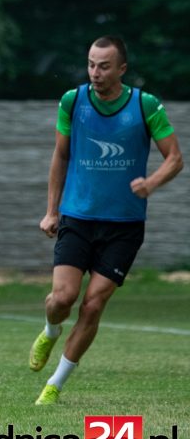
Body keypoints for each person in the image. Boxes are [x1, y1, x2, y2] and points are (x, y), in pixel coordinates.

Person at [30, 36, 183, 405]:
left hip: (124, 225)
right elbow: (60, 156)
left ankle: (54, 385)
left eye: (104, 66)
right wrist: (52, 210)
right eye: (91, 65)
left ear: (122, 70)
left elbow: (175, 158)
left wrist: (151, 183)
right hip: (78, 217)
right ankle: (50, 330)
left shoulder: (145, 106)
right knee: (62, 299)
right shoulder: (73, 101)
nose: (95, 73)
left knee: (93, 305)